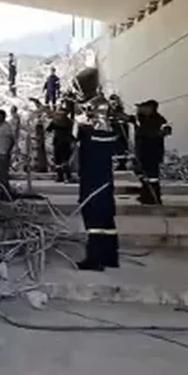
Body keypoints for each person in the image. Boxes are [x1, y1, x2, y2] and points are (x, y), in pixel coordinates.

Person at [76, 107, 119, 271]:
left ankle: (94, 260)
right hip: (104, 184)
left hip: (93, 185)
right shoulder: (111, 137)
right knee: (107, 222)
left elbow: (84, 145)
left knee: (95, 222)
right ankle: (110, 257)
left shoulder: (91, 137)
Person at [133, 99, 171, 205]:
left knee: (152, 177)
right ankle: (145, 197)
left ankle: (155, 198)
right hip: (141, 153)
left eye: (142, 107)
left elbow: (166, 129)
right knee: (144, 176)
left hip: (152, 153)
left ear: (150, 108)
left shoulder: (159, 120)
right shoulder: (140, 119)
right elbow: (127, 118)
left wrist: (160, 133)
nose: (139, 109)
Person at [0, 109, 16, 198]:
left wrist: (8, 151)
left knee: (3, 175)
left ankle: (6, 194)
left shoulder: (6, 127)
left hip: (3, 153)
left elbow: (12, 140)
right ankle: (4, 192)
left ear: (2, 116)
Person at [47, 109, 75, 183]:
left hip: (57, 142)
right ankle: (68, 177)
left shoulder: (55, 122)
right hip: (67, 142)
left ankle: (60, 176)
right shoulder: (70, 122)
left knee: (58, 161)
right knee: (65, 160)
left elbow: (48, 129)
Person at [108, 94, 132, 170]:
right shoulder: (107, 113)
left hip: (120, 135)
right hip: (111, 135)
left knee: (121, 149)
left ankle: (121, 164)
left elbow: (127, 119)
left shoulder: (120, 113)